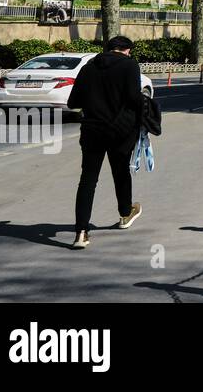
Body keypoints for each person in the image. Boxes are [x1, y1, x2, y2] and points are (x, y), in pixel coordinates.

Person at [67, 35, 145, 249]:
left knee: (88, 180)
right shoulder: (130, 66)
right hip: (120, 130)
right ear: (126, 50)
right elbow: (133, 98)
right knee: (120, 172)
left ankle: (81, 233)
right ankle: (124, 214)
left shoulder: (88, 67)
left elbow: (73, 102)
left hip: (92, 130)